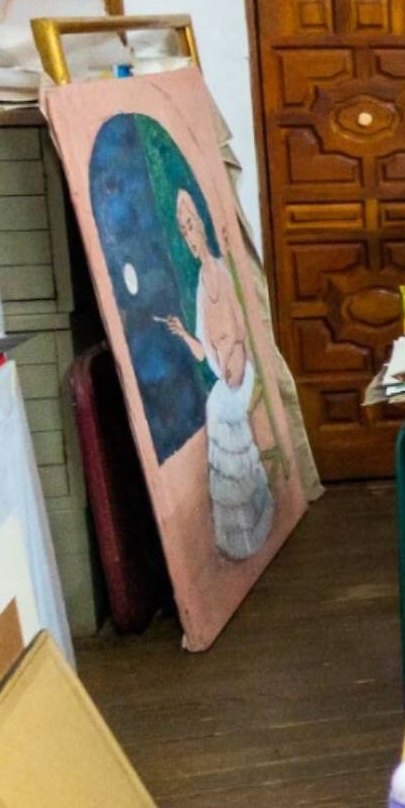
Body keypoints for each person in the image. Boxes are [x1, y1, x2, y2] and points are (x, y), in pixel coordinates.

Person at [157, 189, 275, 560]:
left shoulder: (222, 271)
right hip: (225, 378)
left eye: (191, 227)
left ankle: (250, 520)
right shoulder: (199, 283)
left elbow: (240, 332)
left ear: (202, 227)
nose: (189, 238)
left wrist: (235, 365)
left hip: (240, 373)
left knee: (220, 414)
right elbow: (203, 352)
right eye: (183, 231)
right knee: (216, 411)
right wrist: (183, 333)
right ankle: (239, 531)